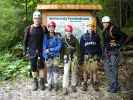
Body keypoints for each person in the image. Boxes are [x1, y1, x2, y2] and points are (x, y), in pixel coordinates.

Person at [97, 16, 128, 93]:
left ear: (109, 22)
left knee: (113, 69)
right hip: (106, 52)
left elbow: (124, 36)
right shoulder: (105, 28)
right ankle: (113, 84)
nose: (104, 24)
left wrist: (117, 44)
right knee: (107, 68)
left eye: (106, 23)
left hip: (113, 52)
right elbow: (100, 26)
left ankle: (114, 87)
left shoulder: (113, 29)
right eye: (103, 23)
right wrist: (95, 17)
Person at [24, 11, 47, 91]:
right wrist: (25, 51)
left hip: (41, 51)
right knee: (33, 67)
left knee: (41, 66)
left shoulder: (43, 28)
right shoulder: (29, 28)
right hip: (32, 51)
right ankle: (35, 82)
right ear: (33, 19)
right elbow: (25, 41)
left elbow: (47, 38)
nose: (37, 20)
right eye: (35, 18)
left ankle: (41, 82)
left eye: (38, 18)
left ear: (40, 19)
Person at [79, 17, 101, 91]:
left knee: (94, 70)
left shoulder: (97, 36)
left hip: (94, 56)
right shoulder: (83, 37)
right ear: (87, 27)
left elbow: (99, 47)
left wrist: (99, 56)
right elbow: (81, 48)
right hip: (86, 56)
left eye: (92, 26)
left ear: (94, 27)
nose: (90, 28)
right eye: (89, 26)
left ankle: (95, 83)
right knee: (85, 71)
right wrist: (81, 58)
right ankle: (85, 83)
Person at [42, 21, 62, 91]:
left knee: (55, 70)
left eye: (52, 27)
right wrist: (45, 56)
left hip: (56, 56)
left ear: (54, 28)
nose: (51, 28)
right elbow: (44, 47)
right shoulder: (45, 36)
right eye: (50, 27)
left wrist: (50, 50)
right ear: (48, 28)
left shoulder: (57, 36)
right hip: (48, 57)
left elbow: (59, 47)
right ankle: (50, 84)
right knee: (49, 71)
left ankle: (56, 84)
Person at [62, 25, 79, 95]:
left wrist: (76, 56)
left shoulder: (75, 39)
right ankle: (65, 87)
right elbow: (61, 50)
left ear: (71, 32)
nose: (68, 32)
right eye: (67, 31)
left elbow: (78, 49)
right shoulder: (63, 40)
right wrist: (62, 57)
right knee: (66, 72)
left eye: (69, 31)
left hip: (73, 58)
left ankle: (73, 85)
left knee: (74, 72)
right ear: (65, 32)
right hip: (66, 58)